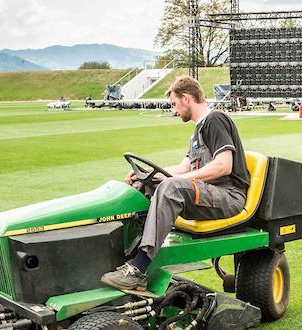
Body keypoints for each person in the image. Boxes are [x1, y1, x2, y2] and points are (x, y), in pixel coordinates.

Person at [101, 76, 250, 292]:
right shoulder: (197, 132)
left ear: (187, 98)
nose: (174, 110)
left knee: (171, 187)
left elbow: (223, 166)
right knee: (149, 184)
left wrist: (175, 180)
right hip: (208, 193)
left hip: (229, 195)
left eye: (174, 104)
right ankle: (128, 254)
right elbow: (183, 168)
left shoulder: (215, 120)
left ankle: (139, 270)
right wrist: (146, 174)